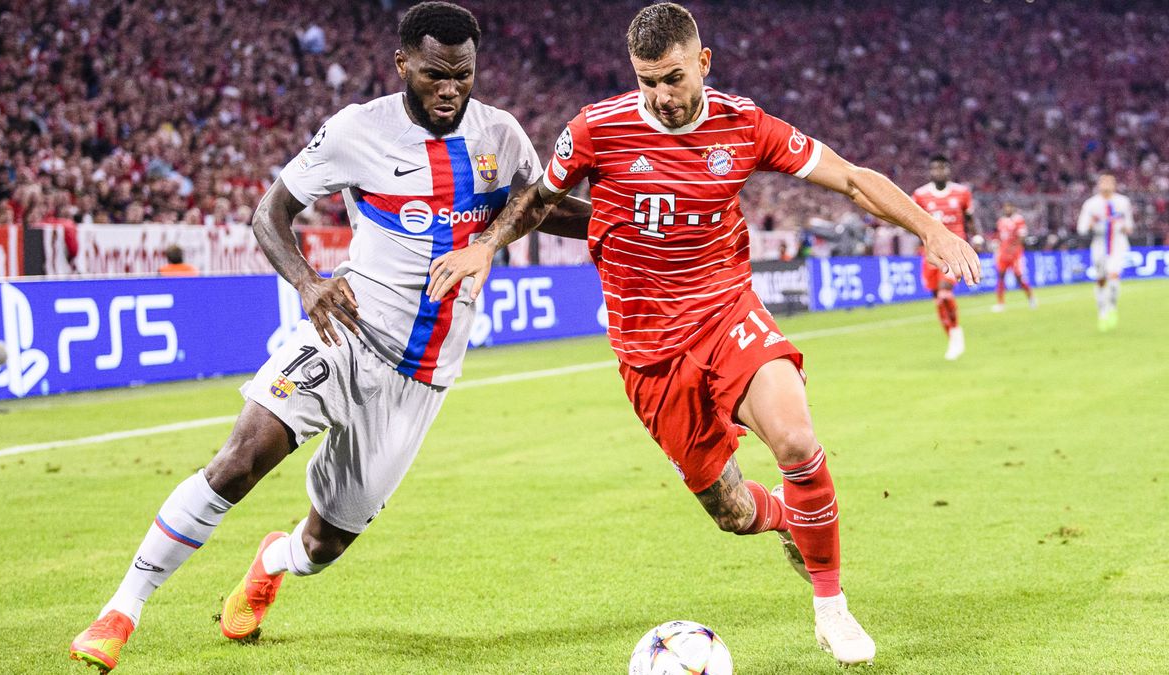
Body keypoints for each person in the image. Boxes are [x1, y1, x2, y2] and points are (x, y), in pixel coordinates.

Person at [426, 2, 980, 667]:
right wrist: (486, 245)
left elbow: (853, 180)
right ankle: (785, 519)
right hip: (647, 351)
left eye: (673, 77)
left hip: (725, 312)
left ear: (703, 63)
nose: (661, 95)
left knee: (798, 439)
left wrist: (932, 228)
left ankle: (831, 608)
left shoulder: (743, 125)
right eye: (647, 80)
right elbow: (540, 199)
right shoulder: (595, 129)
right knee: (734, 511)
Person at [68, 3, 588, 672]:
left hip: (421, 377)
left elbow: (535, 206)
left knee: (326, 543)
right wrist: (310, 284)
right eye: (435, 74)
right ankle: (120, 609)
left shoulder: (502, 135)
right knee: (239, 458)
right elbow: (270, 214)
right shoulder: (356, 131)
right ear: (403, 64)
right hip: (345, 329)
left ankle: (273, 560)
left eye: (463, 75)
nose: (450, 89)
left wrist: (630, 219)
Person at [911, 155, 978, 360]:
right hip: (930, 254)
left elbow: (970, 220)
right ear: (930, 171)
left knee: (944, 295)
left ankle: (956, 332)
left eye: (942, 168)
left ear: (949, 170)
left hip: (953, 252)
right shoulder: (920, 195)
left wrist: (975, 239)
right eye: (935, 168)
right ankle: (952, 337)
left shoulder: (962, 193)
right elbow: (914, 221)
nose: (938, 172)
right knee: (938, 301)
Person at [1076, 174, 1133, 331]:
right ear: (1098, 185)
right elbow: (1081, 229)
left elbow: (1129, 227)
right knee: (1101, 279)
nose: (1106, 184)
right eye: (1103, 182)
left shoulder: (1123, 202)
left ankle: (1112, 307)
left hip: (1118, 244)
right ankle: (1102, 312)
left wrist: (1122, 226)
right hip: (1099, 244)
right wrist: (1091, 223)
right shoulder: (1091, 204)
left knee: (1113, 276)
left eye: (1110, 182)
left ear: (1115, 185)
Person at [991, 202, 1035, 311]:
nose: (1007, 209)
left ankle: (1031, 298)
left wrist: (1015, 248)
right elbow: (998, 237)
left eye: (1009, 207)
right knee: (1001, 276)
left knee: (1019, 278)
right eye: (1005, 207)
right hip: (1003, 253)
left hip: (1015, 254)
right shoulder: (1001, 221)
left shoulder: (1018, 220)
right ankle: (1000, 303)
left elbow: (1022, 236)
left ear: (1013, 208)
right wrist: (996, 245)